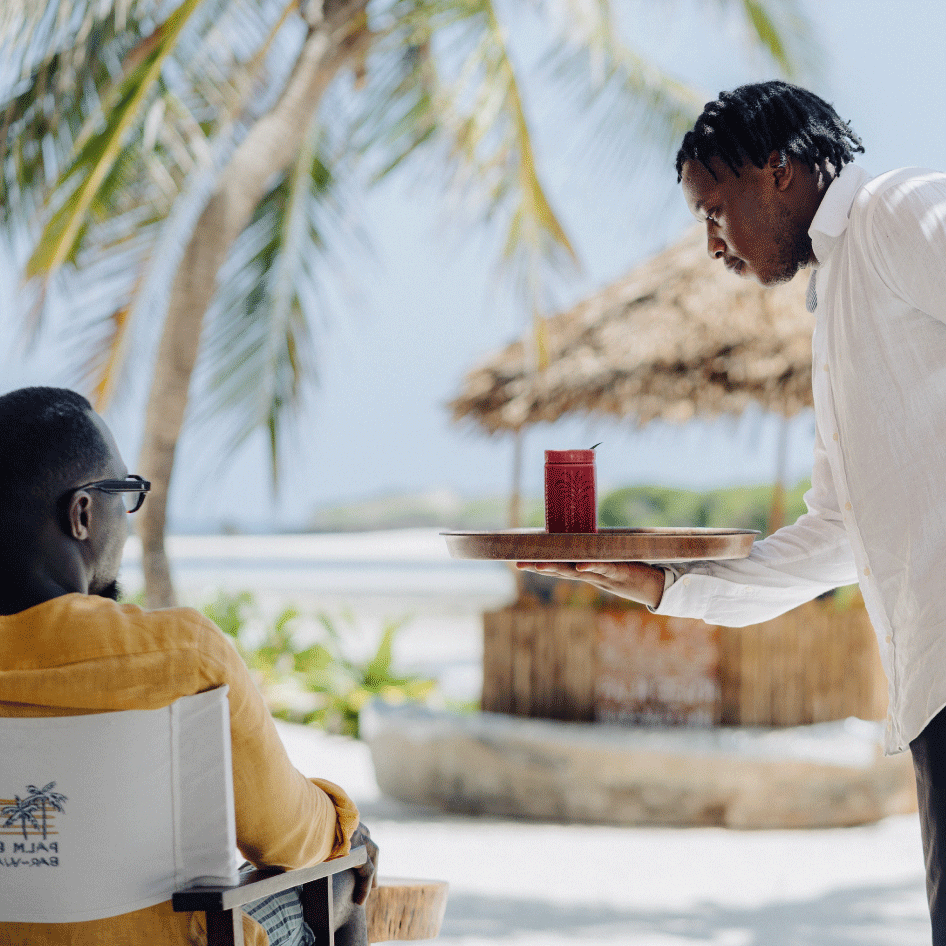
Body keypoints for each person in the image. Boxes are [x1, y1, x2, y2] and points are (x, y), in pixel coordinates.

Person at [518, 80, 946, 941]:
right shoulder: (835, 300)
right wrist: (664, 585)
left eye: (714, 209)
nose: (711, 244)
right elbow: (835, 536)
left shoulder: (898, 211)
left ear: (778, 171)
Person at [0, 386, 378, 946]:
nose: (126, 523)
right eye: (124, 494)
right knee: (344, 872)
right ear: (81, 514)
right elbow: (290, 838)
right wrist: (345, 824)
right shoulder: (180, 656)